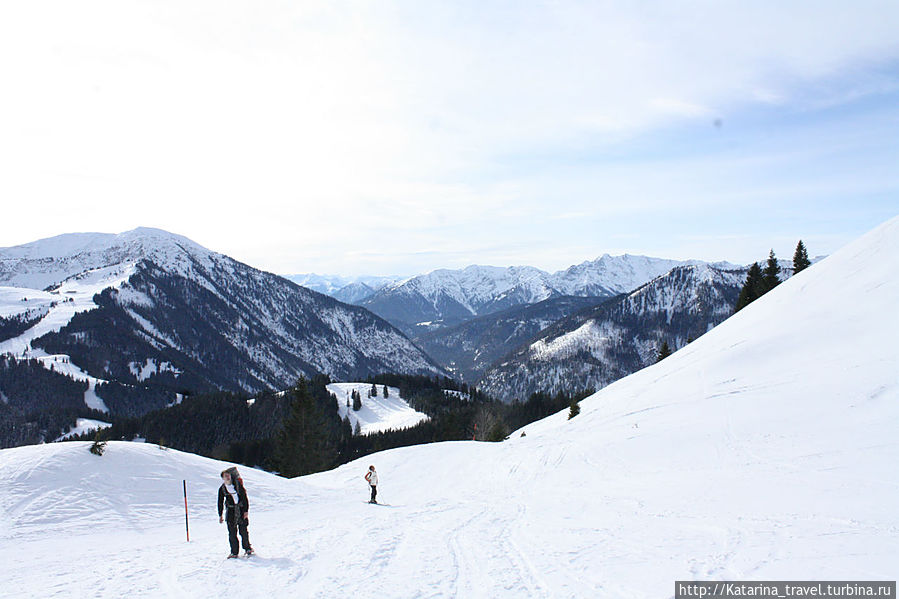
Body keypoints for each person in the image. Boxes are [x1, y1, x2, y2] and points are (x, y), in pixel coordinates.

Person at [218, 467, 253, 558]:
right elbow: (220, 502)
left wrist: (246, 511)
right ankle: (234, 552)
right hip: (230, 512)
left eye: (228, 475)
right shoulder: (222, 489)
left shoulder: (238, 485)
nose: (228, 477)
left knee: (243, 531)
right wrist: (220, 514)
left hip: (240, 510)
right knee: (232, 533)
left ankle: (247, 548)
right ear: (223, 478)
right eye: (226, 476)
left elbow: (244, 498)